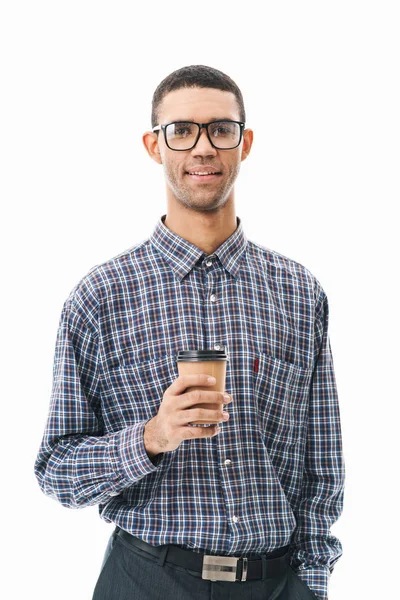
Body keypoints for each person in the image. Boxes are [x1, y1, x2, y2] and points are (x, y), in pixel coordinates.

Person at [35, 65, 344, 600]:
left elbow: (324, 462)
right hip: (144, 580)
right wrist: (151, 437)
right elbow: (57, 470)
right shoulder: (100, 297)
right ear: (155, 146)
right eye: (181, 130)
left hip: (275, 586)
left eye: (220, 129)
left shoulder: (299, 292)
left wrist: (311, 583)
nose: (203, 147)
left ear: (243, 143)